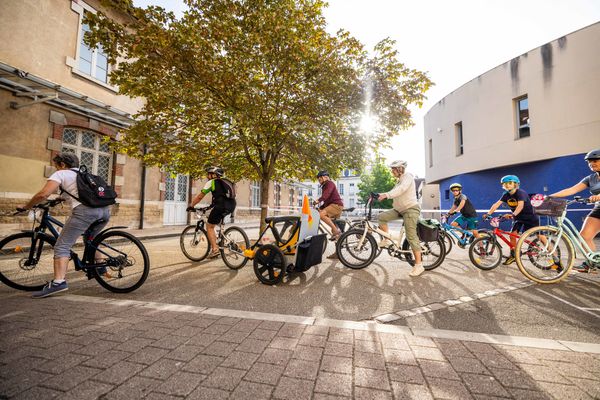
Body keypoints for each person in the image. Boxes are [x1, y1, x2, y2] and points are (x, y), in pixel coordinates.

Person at [18, 153, 111, 298]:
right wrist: (61, 198)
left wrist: (27, 206)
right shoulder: (83, 174)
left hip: (85, 213)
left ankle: (58, 283)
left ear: (62, 164)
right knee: (90, 238)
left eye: (56, 165)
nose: (56, 167)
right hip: (104, 212)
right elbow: (79, 192)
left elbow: (43, 194)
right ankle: (100, 267)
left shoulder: (61, 173)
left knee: (62, 246)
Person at [549, 148, 600, 272]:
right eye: (589, 162)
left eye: (595, 161)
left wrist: (598, 196)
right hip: (599, 208)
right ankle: (592, 263)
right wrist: (550, 196)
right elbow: (572, 190)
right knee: (584, 236)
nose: (592, 164)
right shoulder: (591, 178)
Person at [377, 160, 424, 277]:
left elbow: (401, 189)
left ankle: (419, 265)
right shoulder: (399, 181)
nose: (391, 171)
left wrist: (386, 195)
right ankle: (386, 240)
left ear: (400, 169)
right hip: (400, 210)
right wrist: (380, 194)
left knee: (411, 236)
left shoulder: (407, 177)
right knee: (382, 217)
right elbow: (395, 191)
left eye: (393, 169)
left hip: (410, 209)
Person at [484, 175, 538, 265]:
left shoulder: (520, 193)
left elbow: (520, 206)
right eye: (505, 184)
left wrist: (513, 214)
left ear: (515, 184)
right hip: (518, 218)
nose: (507, 185)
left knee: (540, 237)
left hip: (530, 217)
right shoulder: (506, 195)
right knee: (512, 236)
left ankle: (553, 254)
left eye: (510, 183)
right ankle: (514, 255)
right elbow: (496, 204)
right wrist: (488, 213)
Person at [188, 166, 236, 258]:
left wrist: (191, 205)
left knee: (209, 226)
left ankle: (214, 249)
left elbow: (200, 196)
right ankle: (220, 240)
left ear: (213, 175)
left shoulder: (211, 182)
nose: (207, 176)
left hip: (220, 206)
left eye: (208, 174)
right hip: (232, 205)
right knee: (213, 220)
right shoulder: (226, 181)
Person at [314, 170, 344, 248]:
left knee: (321, 215)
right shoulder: (325, 186)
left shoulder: (329, 183)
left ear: (324, 177)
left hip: (336, 206)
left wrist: (318, 201)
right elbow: (327, 201)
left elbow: (326, 195)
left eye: (320, 179)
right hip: (334, 206)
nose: (319, 181)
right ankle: (337, 253)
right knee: (336, 235)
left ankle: (335, 230)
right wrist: (320, 207)